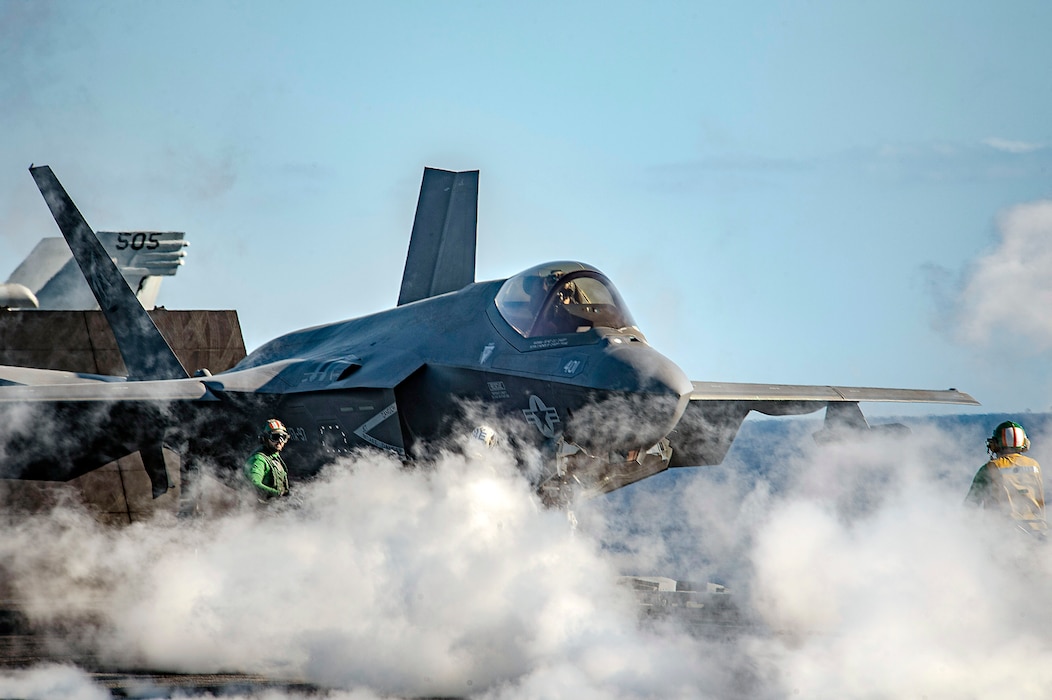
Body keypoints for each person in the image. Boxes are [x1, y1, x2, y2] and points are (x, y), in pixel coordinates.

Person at [965, 420, 1046, 534]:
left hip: (1004, 533)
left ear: (995, 445)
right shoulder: (1034, 465)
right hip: (1037, 530)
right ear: (1025, 443)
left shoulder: (991, 468)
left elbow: (971, 503)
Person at [244, 418, 292, 501]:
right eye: (275, 437)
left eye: (283, 437)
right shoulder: (259, 459)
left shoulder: (274, 457)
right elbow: (253, 484)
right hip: (261, 510)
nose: (280, 441)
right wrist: (278, 494)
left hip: (275, 507)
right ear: (265, 438)